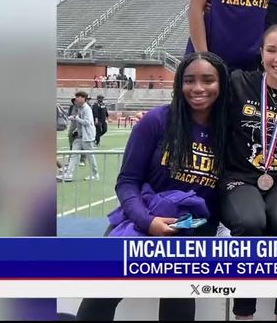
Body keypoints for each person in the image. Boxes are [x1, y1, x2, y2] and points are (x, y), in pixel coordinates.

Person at [75, 52, 230, 321]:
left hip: (191, 234)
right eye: (189, 80)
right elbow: (127, 182)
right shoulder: (156, 122)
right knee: (98, 299)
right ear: (179, 84)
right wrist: (148, 222)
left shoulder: (227, 131)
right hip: (141, 221)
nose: (198, 88)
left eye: (208, 80)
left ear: (222, 84)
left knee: (178, 310)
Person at [219, 24, 277, 321]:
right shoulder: (238, 83)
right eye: (271, 50)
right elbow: (199, 98)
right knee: (251, 221)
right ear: (261, 54)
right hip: (240, 178)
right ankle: (244, 315)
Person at [59, 91, 99, 181]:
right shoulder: (80, 108)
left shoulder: (87, 109)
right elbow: (80, 123)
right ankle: (69, 175)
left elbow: (87, 122)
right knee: (73, 154)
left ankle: (95, 174)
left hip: (87, 137)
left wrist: (76, 118)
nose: (76, 99)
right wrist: (76, 128)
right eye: (76, 97)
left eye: (78, 97)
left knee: (90, 156)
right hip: (80, 137)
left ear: (83, 98)